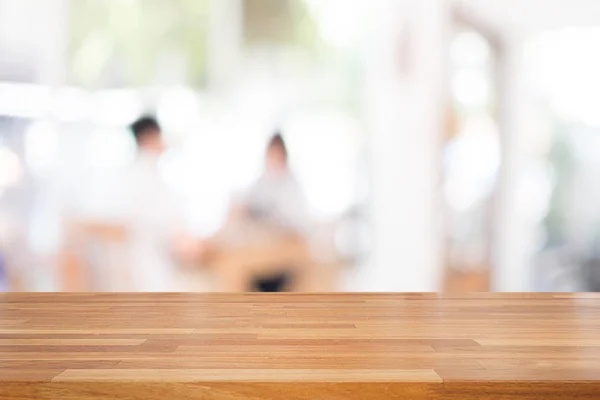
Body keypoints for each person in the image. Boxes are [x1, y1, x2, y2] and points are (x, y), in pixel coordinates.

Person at [116, 116, 197, 291]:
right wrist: (179, 236)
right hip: (150, 254)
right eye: (159, 135)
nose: (163, 141)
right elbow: (147, 218)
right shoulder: (140, 173)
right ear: (149, 136)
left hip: (160, 253)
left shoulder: (152, 170)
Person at [228, 132, 311, 292]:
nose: (273, 160)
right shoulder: (260, 183)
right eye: (271, 155)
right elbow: (246, 208)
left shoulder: (293, 186)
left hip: (286, 258)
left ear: (284, 156)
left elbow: (300, 225)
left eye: (277, 155)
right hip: (258, 257)